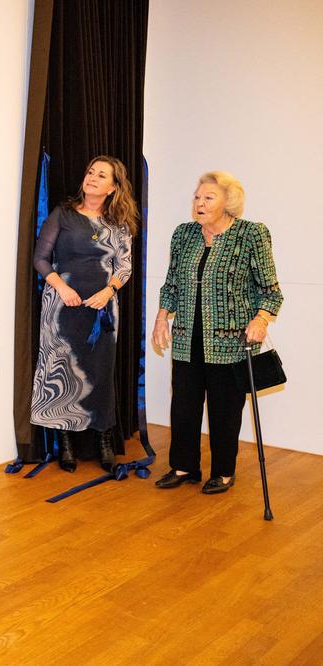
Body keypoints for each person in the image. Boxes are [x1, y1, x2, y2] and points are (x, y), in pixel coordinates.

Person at [153, 172, 283, 494]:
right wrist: (160, 319)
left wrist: (261, 319)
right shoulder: (184, 235)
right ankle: (183, 466)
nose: (199, 202)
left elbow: (271, 291)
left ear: (228, 202)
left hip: (231, 342)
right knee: (183, 405)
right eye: (197, 197)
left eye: (208, 197)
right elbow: (171, 285)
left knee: (225, 410)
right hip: (187, 338)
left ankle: (223, 471)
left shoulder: (250, 234)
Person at [30, 156, 138, 472]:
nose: (91, 177)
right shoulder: (63, 214)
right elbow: (40, 258)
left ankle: (104, 440)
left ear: (113, 187)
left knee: (100, 374)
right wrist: (61, 288)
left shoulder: (118, 223)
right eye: (90, 171)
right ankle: (65, 444)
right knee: (62, 370)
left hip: (102, 310)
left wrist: (108, 291)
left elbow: (125, 265)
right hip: (62, 306)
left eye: (101, 175)